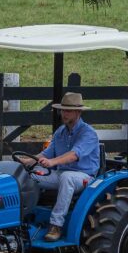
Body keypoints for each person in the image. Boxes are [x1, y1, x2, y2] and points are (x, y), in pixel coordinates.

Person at [32, 92, 100, 240]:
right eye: (62, 110)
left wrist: (52, 162)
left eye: (68, 110)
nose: (64, 114)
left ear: (78, 112)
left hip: (84, 177)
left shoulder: (89, 133)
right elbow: (45, 154)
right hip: (61, 173)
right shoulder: (60, 132)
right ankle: (27, 216)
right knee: (31, 175)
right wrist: (25, 161)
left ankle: (56, 226)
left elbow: (73, 155)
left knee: (67, 177)